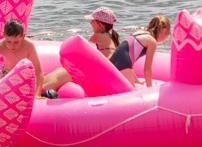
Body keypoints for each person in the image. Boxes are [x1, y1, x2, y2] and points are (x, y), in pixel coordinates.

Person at [43, 14, 171, 91]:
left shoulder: (139, 33)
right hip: (122, 64)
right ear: (163, 31)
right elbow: (147, 68)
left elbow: (127, 55)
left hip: (115, 63)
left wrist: (136, 80)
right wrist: (149, 89)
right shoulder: (151, 41)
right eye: (166, 35)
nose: (164, 39)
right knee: (129, 93)